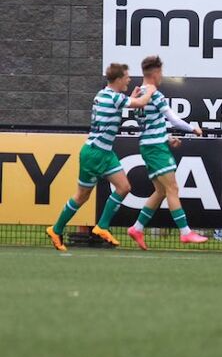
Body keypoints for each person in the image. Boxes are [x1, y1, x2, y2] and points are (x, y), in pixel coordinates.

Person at [46, 64, 157, 251]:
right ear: (118, 79)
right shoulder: (113, 97)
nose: (129, 80)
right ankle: (56, 229)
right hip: (95, 153)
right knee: (82, 196)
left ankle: (101, 226)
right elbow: (140, 104)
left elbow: (122, 104)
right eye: (127, 77)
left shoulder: (104, 95)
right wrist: (150, 91)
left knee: (124, 187)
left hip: (104, 152)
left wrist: (132, 98)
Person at [126, 55, 207, 250]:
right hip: (155, 148)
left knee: (161, 191)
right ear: (155, 73)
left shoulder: (137, 94)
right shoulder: (155, 94)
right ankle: (186, 232)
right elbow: (174, 120)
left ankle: (136, 228)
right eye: (161, 72)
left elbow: (150, 125)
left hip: (149, 145)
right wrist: (193, 128)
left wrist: (167, 138)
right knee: (173, 189)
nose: (162, 76)